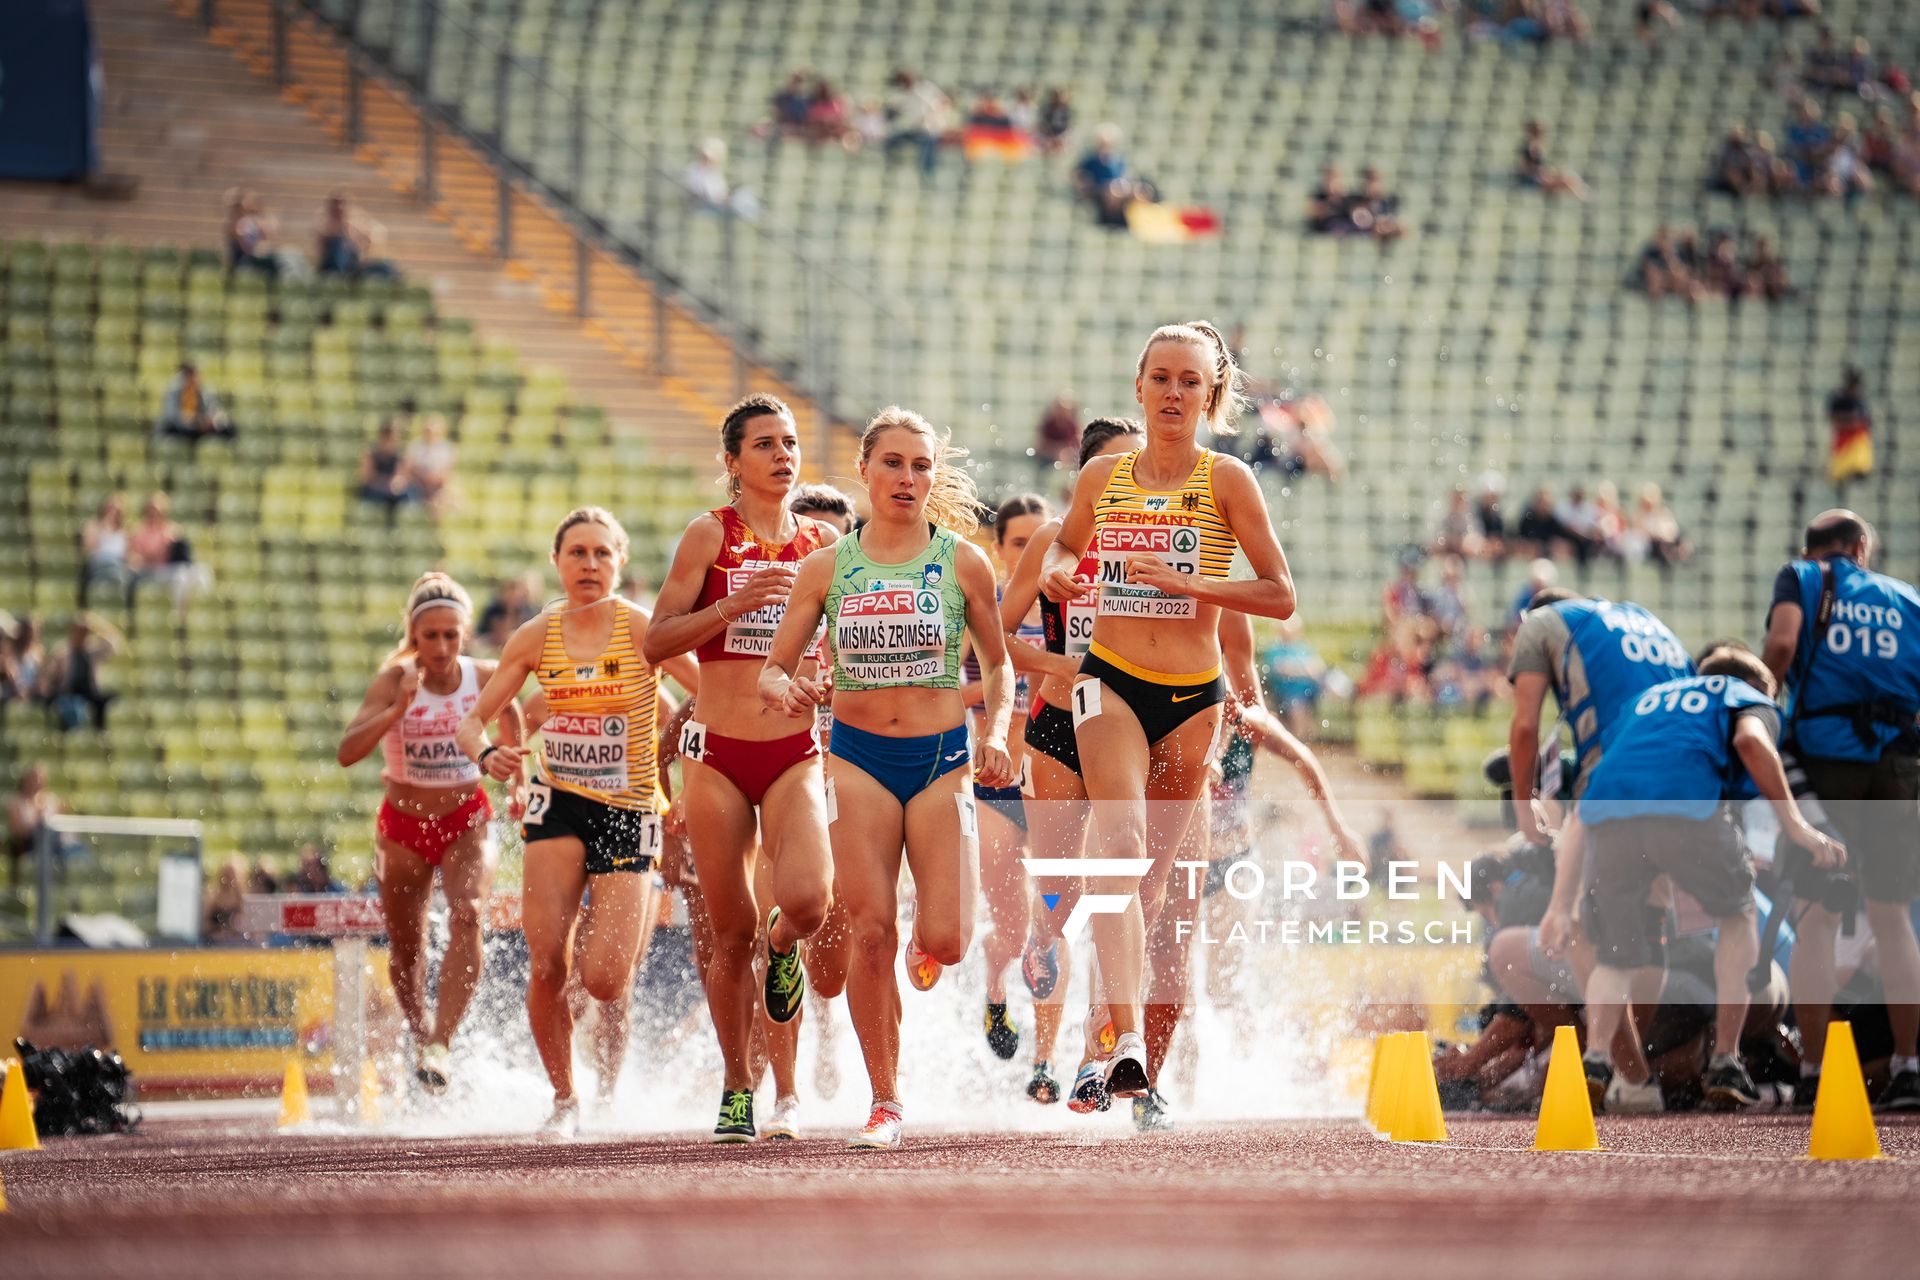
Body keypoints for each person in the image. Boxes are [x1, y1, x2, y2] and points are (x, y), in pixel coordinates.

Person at [1039, 321, 1295, 1102]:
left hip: (1194, 699)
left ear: (1211, 393)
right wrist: (1058, 575)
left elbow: (1280, 595)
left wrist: (1195, 587)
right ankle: (1120, 1048)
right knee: (1114, 847)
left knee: (1146, 891)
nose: (1174, 392)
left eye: (1190, 380)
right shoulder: (1100, 481)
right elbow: (1061, 550)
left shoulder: (1227, 481)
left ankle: (1103, 1046)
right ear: (1139, 387)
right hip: (1109, 679)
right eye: (1161, 378)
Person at [759, 406, 1015, 1150]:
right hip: (859, 759)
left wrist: (995, 732)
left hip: (941, 762)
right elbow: (777, 666)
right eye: (894, 463)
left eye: (921, 465)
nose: (908, 478)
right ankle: (885, 1101)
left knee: (950, 938)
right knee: (871, 931)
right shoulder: (828, 566)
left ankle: (924, 947)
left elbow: (997, 666)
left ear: (934, 476)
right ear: (865, 470)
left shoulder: (963, 561)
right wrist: (787, 686)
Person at [456, 509, 697, 1136]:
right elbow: (474, 721)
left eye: (601, 554)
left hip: (631, 807)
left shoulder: (646, 630)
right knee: (546, 964)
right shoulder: (536, 636)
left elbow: (709, 697)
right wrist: (493, 758)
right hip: (557, 805)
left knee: (606, 978)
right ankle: (564, 1100)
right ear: (557, 562)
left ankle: (611, 1082)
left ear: (619, 562)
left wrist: (693, 776)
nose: (589, 565)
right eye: (577, 554)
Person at [643, 395, 843, 1143]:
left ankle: (784, 949)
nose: (782, 454)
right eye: (764, 444)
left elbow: (846, 650)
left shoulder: (823, 544)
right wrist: (732, 609)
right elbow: (656, 643)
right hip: (717, 756)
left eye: (790, 442)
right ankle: (741, 1088)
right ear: (733, 462)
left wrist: (824, 679)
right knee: (729, 935)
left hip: (793, 750)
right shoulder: (708, 536)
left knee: (809, 905)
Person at [1578, 648, 1841, 1110]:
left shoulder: (1650, 698)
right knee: (1738, 920)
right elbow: (1751, 744)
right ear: (1760, 688)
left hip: (1612, 816)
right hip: (1689, 811)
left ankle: (1597, 1055)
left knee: (1614, 953)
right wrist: (1797, 827)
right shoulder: (1747, 697)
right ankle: (1725, 1058)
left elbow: (1607, 765)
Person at [1141, 608, 1365, 1129]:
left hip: (1234, 866)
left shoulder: (1246, 717)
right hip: (1182, 868)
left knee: (1222, 986)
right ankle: (1180, 1098)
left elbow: (1305, 761)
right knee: (1183, 993)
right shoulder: (1166, 719)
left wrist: (1339, 830)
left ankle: (1254, 1076)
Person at [1000, 418, 1145, 1113]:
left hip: (1129, 729)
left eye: (1137, 464)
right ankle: (1040, 934)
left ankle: (1097, 1057)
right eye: (1114, 467)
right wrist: (1064, 665)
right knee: (1059, 892)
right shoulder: (1052, 544)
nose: (1130, 478)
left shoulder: (1155, 543)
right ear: (1087, 477)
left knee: (1111, 890)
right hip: (1058, 723)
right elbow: (998, 636)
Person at [337, 573, 523, 1093]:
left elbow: (511, 711)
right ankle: (421, 1037)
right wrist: (398, 710)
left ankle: (442, 1041)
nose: (441, 648)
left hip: (466, 818)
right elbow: (347, 753)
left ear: (465, 634)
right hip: (402, 827)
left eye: (451, 636)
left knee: (469, 913)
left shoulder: (482, 674)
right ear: (413, 637)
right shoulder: (393, 678)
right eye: (429, 637)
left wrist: (521, 783)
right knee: (407, 945)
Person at [1508, 588, 1693, 1109]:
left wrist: (1526, 811)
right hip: (1686, 776)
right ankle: (1633, 1072)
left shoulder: (1542, 623)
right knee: (1649, 923)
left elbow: (1524, 727)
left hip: (1619, 775)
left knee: (1583, 928)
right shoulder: (1643, 620)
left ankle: (1633, 1078)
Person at [1761, 510, 1920, 1111]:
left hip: (1827, 762)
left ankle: (1814, 1070)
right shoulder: (1906, 598)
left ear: (1814, 549)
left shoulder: (1801, 578)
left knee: (1818, 913)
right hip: (1899, 763)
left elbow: (1782, 643)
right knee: (1893, 915)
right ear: (1862, 548)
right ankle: (1908, 1065)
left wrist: (1759, 703)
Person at [966, 495, 1051, 1070]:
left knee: (1052, 921)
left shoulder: (1066, 605)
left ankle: (1048, 1059)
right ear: (999, 549)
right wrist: (1007, 680)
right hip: (995, 780)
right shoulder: (983, 606)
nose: (1029, 553)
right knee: (1012, 925)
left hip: (1050, 777)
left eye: (1038, 542)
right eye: (1018, 543)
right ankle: (996, 992)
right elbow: (952, 689)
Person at [128, 493, 209, 619]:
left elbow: (182, 552)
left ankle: (203, 612)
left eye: (159, 511)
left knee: (202, 571)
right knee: (180, 576)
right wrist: (153, 555)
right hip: (152, 572)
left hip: (171, 568)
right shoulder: (138, 531)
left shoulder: (172, 529)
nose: (155, 514)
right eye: (152, 510)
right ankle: (179, 615)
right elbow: (133, 560)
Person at [44, 614, 122, 732]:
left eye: (85, 633)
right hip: (69, 691)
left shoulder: (92, 652)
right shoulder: (62, 652)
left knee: (109, 699)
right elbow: (51, 676)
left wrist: (95, 624)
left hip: (90, 691)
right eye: (79, 632)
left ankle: (99, 731)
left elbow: (113, 642)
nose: (82, 636)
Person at [315, 192, 396, 279]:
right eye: (337, 205)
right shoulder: (325, 226)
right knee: (337, 243)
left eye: (342, 204)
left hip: (352, 266)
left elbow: (377, 234)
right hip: (332, 266)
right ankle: (341, 275)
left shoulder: (354, 226)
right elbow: (322, 246)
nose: (340, 208)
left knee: (384, 266)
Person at [156, 362, 235, 450]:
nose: (193, 379)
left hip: (199, 427)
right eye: (190, 376)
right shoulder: (174, 392)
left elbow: (214, 411)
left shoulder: (205, 391)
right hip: (181, 428)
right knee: (171, 430)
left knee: (228, 429)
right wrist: (193, 420)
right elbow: (172, 417)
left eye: (195, 376)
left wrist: (210, 421)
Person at [78, 494, 133, 609]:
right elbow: (88, 548)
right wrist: (104, 526)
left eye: (116, 510)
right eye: (110, 508)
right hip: (99, 565)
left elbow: (129, 555)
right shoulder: (94, 525)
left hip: (119, 567)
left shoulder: (126, 530)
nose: (113, 512)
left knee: (124, 575)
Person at [1825, 367, 1873, 490]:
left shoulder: (1860, 399)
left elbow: (1867, 421)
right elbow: (1833, 417)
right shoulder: (1838, 398)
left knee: (1860, 469)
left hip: (1856, 439)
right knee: (1839, 474)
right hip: (1843, 440)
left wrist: (1855, 422)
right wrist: (1849, 420)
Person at [1518, 121, 1590, 199]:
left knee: (1570, 177)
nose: (1541, 134)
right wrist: (1543, 176)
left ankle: (1584, 197)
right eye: (1538, 132)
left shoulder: (1537, 147)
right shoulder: (1528, 148)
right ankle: (1584, 199)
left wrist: (1547, 174)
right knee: (1566, 182)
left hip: (1540, 177)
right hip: (1533, 181)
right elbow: (1526, 169)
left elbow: (1540, 168)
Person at [403, 414, 456, 515]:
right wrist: (423, 478)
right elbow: (408, 469)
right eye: (428, 430)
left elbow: (447, 472)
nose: (430, 434)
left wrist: (433, 480)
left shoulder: (446, 449)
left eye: (433, 432)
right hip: (417, 486)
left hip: (438, 487)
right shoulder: (415, 447)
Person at [360, 421, 412, 516]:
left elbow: (402, 475)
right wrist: (385, 484)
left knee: (407, 496)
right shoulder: (371, 452)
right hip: (375, 488)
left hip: (393, 490)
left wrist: (397, 483)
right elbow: (368, 477)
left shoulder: (400, 452)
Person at [223, 188, 279, 276]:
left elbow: (266, 237)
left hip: (255, 252)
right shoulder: (239, 222)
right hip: (244, 255)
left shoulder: (255, 220)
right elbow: (242, 243)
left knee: (273, 260)